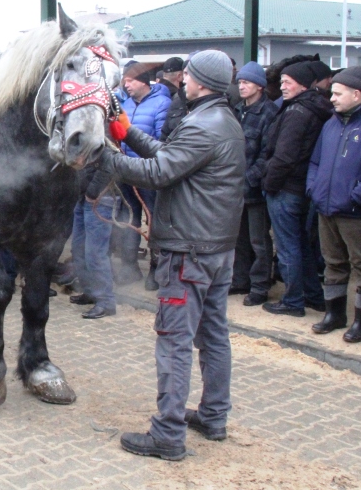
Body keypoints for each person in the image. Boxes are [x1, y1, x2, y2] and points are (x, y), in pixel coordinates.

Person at [98, 50, 245, 461]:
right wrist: (126, 132)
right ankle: (214, 417)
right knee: (213, 336)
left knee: (174, 341)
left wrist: (102, 155)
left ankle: (167, 435)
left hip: (188, 252)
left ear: (198, 81)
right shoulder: (220, 119)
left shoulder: (203, 125)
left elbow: (159, 173)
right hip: (214, 249)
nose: (181, 79)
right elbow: (168, 155)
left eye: (187, 75)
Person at [307, 67, 361, 343]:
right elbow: (315, 161)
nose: (331, 98)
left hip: (356, 211)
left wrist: (359, 195)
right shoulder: (331, 124)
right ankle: (335, 315)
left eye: (337, 93)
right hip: (326, 206)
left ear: (357, 94)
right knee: (334, 262)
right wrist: (314, 188)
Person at [261, 62, 331, 317]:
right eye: (281, 82)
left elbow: (284, 157)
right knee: (301, 245)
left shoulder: (297, 112)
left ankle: (293, 301)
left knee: (288, 247)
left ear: (302, 84)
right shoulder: (314, 107)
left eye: (288, 82)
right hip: (303, 188)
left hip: (286, 189)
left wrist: (269, 185)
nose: (282, 87)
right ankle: (314, 296)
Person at [116, 61, 171, 290]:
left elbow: (160, 140)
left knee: (154, 220)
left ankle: (155, 269)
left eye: (130, 80)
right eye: (125, 80)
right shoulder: (125, 105)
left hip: (149, 173)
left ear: (143, 81)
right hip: (127, 171)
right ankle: (129, 266)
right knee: (129, 218)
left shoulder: (162, 104)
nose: (126, 85)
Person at [229, 62, 279, 306]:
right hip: (235, 188)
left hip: (255, 189)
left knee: (259, 240)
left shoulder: (269, 114)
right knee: (239, 238)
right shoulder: (237, 110)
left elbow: (267, 154)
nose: (242, 86)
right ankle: (240, 280)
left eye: (246, 82)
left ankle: (260, 286)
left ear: (259, 86)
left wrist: (249, 179)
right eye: (240, 82)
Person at [69, 154, 116, 318]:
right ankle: (90, 292)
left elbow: (110, 164)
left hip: (100, 199)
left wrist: (92, 191)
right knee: (78, 248)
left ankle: (106, 302)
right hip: (84, 197)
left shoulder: (105, 132)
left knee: (95, 253)